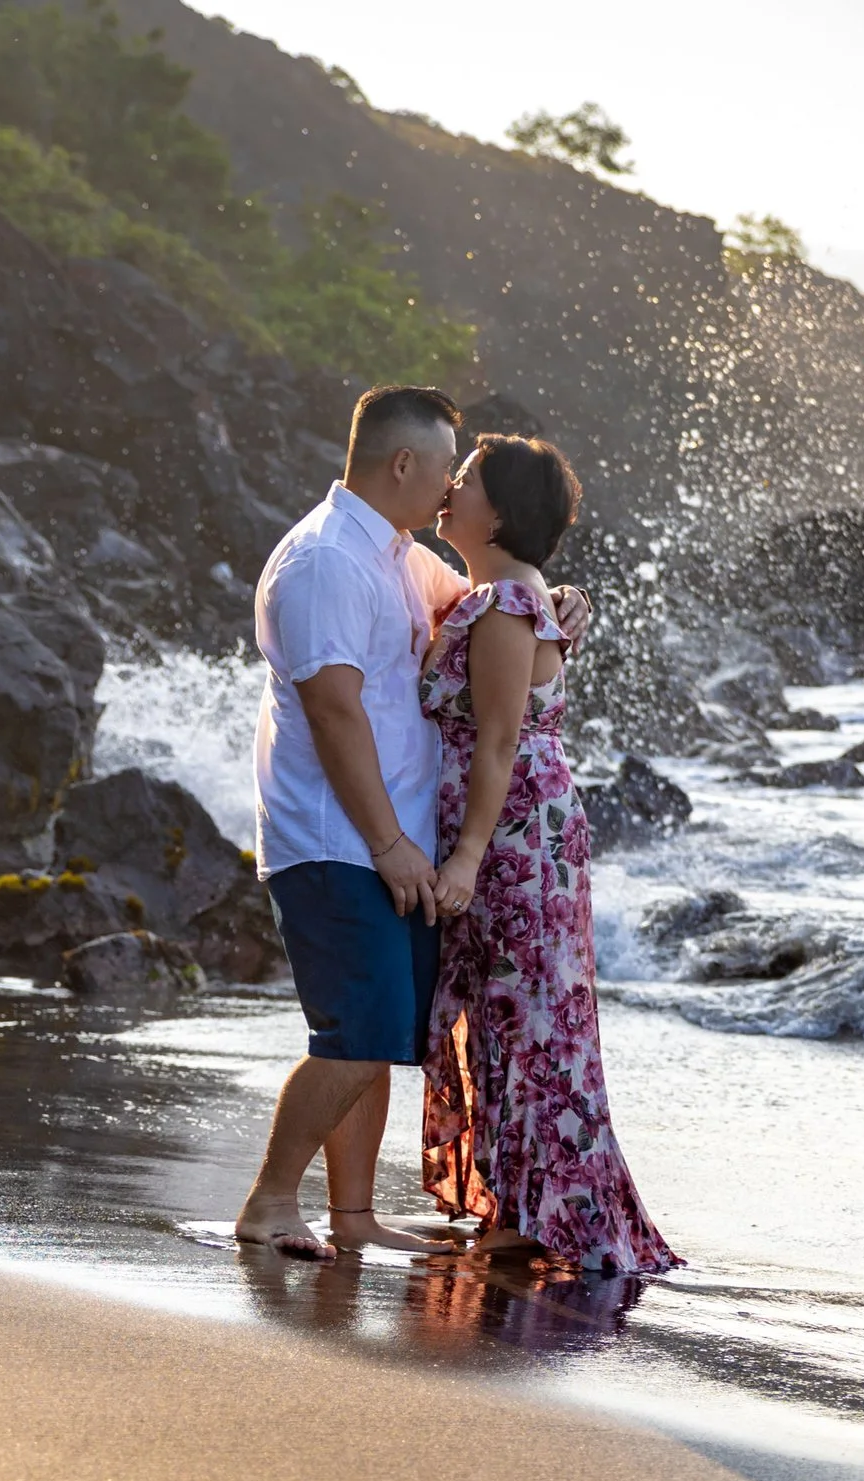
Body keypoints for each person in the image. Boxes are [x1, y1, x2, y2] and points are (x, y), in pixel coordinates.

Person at [234, 386, 589, 1260]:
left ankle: (353, 1217)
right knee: (356, 1037)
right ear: (403, 464)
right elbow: (334, 713)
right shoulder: (324, 563)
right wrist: (392, 843)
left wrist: (563, 604)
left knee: (385, 1035)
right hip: (335, 840)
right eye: (444, 469)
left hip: (390, 843)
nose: (447, 490)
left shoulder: (397, 557)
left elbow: (500, 601)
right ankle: (270, 1201)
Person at [417, 435, 679, 1276]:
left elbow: (498, 744)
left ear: (499, 512)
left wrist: (463, 859)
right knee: (519, 1009)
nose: (450, 489)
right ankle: (527, 1200)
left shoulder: (505, 604)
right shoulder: (517, 595)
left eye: (466, 481)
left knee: (525, 1011)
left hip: (514, 834)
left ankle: (542, 1212)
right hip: (531, 829)